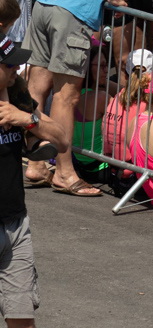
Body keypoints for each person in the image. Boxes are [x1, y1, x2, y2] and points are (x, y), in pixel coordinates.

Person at [22, 0, 144, 195]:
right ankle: (64, 173)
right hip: (71, 13)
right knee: (66, 96)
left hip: (44, 4)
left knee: (37, 87)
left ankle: (36, 163)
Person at [0, 35, 69, 328]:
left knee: (23, 321)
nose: (16, 69)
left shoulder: (17, 95)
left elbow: (62, 140)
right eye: (9, 64)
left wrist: (27, 120)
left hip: (15, 226)